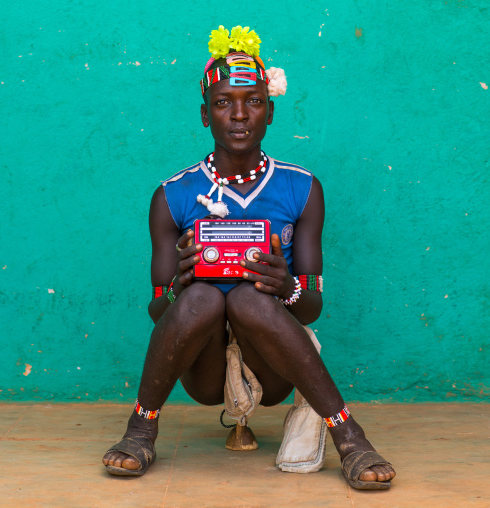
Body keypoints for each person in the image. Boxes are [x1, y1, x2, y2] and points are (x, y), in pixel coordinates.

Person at [102, 25, 396, 490]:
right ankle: (141, 429)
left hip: (271, 366)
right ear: (205, 115)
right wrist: (178, 286)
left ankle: (350, 437)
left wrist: (287, 286)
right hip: (203, 370)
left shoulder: (301, 189)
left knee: (247, 299)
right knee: (202, 299)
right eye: (223, 103)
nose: (239, 116)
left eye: (253, 102)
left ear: (270, 111)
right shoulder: (174, 195)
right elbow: (159, 309)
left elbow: (312, 308)